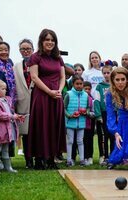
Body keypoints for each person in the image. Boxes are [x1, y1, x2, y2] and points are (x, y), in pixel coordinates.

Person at [27, 28, 66, 170]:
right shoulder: (35, 57)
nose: (50, 42)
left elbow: (62, 77)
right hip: (42, 95)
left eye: (52, 40)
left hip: (56, 95)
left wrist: (59, 91)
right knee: (41, 125)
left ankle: (51, 158)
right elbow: (34, 77)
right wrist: (49, 91)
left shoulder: (58, 58)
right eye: (47, 39)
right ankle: (39, 158)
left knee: (54, 125)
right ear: (41, 41)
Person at [0, 78, 23, 174]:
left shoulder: (6, 100)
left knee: (6, 150)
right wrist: (12, 116)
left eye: (5, 89)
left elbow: (10, 112)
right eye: (3, 89)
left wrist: (16, 116)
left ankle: (8, 167)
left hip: (7, 130)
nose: (5, 90)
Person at [13, 38, 34, 168]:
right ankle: (28, 161)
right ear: (20, 51)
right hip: (22, 102)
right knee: (25, 134)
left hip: (36, 101)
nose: (26, 51)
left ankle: (39, 158)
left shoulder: (38, 64)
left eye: (28, 49)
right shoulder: (16, 66)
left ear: (33, 50)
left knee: (37, 133)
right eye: (23, 49)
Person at [64, 75, 89, 166]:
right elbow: (64, 108)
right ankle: (69, 160)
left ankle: (82, 160)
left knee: (80, 141)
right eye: (77, 84)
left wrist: (86, 112)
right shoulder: (68, 94)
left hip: (81, 122)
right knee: (70, 141)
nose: (79, 85)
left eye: (81, 84)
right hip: (70, 122)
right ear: (73, 84)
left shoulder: (86, 95)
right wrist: (69, 115)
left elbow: (88, 108)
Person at [94, 64, 115, 166]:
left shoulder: (115, 85)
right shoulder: (99, 86)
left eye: (108, 73)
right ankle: (105, 157)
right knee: (104, 136)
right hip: (103, 113)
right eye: (105, 73)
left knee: (113, 136)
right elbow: (96, 101)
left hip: (113, 113)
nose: (107, 75)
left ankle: (113, 156)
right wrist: (98, 115)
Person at [0, 41, 16, 106]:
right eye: (1, 50)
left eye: (6, 50)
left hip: (10, 98)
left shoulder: (10, 65)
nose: (4, 52)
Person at [83, 81, 95, 165]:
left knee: (90, 140)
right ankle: (84, 157)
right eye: (85, 89)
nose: (87, 90)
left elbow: (94, 112)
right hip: (82, 124)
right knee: (82, 141)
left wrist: (88, 113)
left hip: (90, 123)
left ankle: (90, 157)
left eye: (89, 89)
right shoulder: (81, 98)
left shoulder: (93, 100)